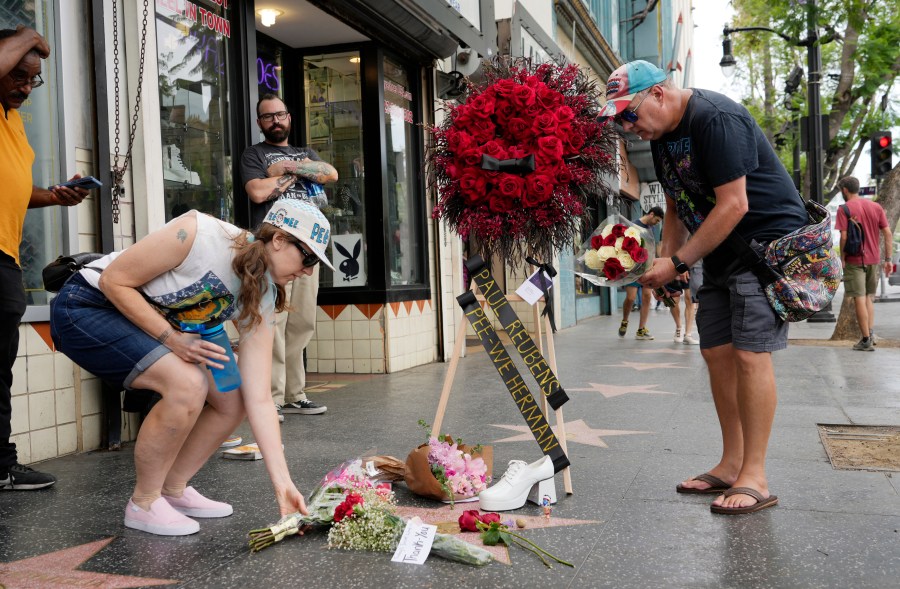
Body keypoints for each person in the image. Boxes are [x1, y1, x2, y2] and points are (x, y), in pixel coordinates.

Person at [50, 199, 334, 535]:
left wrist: (283, 483)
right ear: (279, 240)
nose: (309, 271)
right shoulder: (199, 234)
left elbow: (259, 397)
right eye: (310, 257)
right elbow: (115, 281)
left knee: (234, 398)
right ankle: (144, 502)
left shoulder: (264, 293)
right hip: (86, 306)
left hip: (153, 327)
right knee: (187, 384)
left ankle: (172, 489)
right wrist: (171, 339)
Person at [601, 60, 809, 514]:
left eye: (628, 114)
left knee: (751, 352)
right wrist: (667, 264)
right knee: (716, 351)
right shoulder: (660, 138)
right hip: (717, 251)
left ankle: (755, 474)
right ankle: (732, 463)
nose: (627, 127)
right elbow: (676, 205)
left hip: (764, 249)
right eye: (618, 121)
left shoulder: (715, 118)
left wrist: (678, 259)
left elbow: (734, 204)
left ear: (658, 93)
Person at [1, 26, 92, 490]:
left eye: (33, 80)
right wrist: (31, 33)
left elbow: (13, 188)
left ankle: (0, 464)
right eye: (18, 75)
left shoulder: (12, 120)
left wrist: (55, 197)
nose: (25, 87)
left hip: (5, 255)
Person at [240, 93, 338, 420]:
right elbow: (256, 191)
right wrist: (296, 175)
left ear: (289, 117)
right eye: (268, 117)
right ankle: (272, 398)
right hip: (276, 248)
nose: (275, 121)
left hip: (309, 248)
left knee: (302, 321)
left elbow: (330, 173)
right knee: (274, 320)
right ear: (260, 123)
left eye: (280, 114)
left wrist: (289, 167)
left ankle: (296, 393)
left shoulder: (304, 152)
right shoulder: (254, 154)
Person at [834, 176, 893, 351]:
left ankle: (866, 339)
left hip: (855, 259)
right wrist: (888, 259)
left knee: (859, 298)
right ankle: (870, 334)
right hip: (874, 259)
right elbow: (888, 233)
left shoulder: (844, 209)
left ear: (845, 190)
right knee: (869, 298)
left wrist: (843, 258)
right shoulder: (876, 207)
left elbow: (844, 237)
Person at [618, 206, 664, 340]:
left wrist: (655, 264)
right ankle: (625, 320)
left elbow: (653, 248)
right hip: (633, 268)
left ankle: (641, 330)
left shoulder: (652, 229)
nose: (656, 223)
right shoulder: (632, 225)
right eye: (656, 220)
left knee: (646, 297)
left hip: (647, 267)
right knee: (631, 298)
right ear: (651, 214)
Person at [683, 259, 702, 345]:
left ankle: (688, 334)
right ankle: (685, 332)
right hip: (694, 266)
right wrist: (682, 267)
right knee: (691, 300)